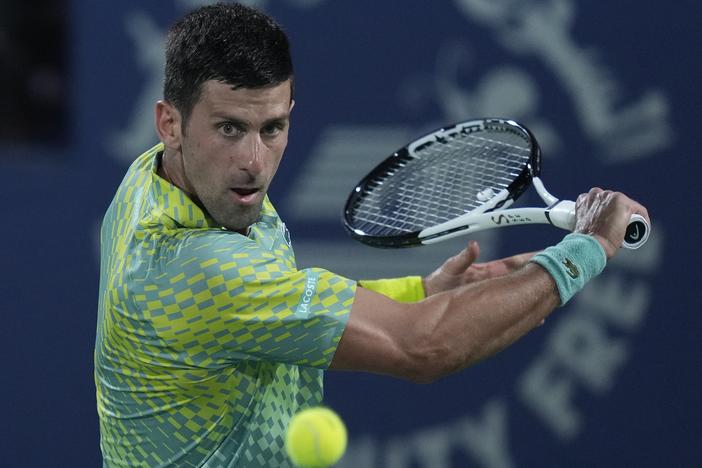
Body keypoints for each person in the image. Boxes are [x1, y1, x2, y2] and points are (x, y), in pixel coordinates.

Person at [94, 3, 650, 467]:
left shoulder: (157, 178)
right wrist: (587, 249)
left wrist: (422, 293)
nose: (253, 162)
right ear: (171, 123)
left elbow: (274, 301)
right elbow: (423, 347)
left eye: (273, 128)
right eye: (229, 129)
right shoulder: (198, 269)